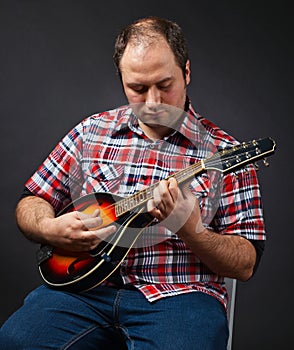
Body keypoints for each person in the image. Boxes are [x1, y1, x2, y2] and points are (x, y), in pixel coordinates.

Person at [0, 16, 265, 349]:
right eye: (138, 88)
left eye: (164, 84)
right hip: (83, 293)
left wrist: (190, 228)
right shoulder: (90, 132)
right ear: (122, 80)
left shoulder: (224, 152)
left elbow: (245, 263)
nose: (153, 101)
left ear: (186, 73)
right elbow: (33, 199)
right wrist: (47, 228)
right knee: (16, 340)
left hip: (178, 297)